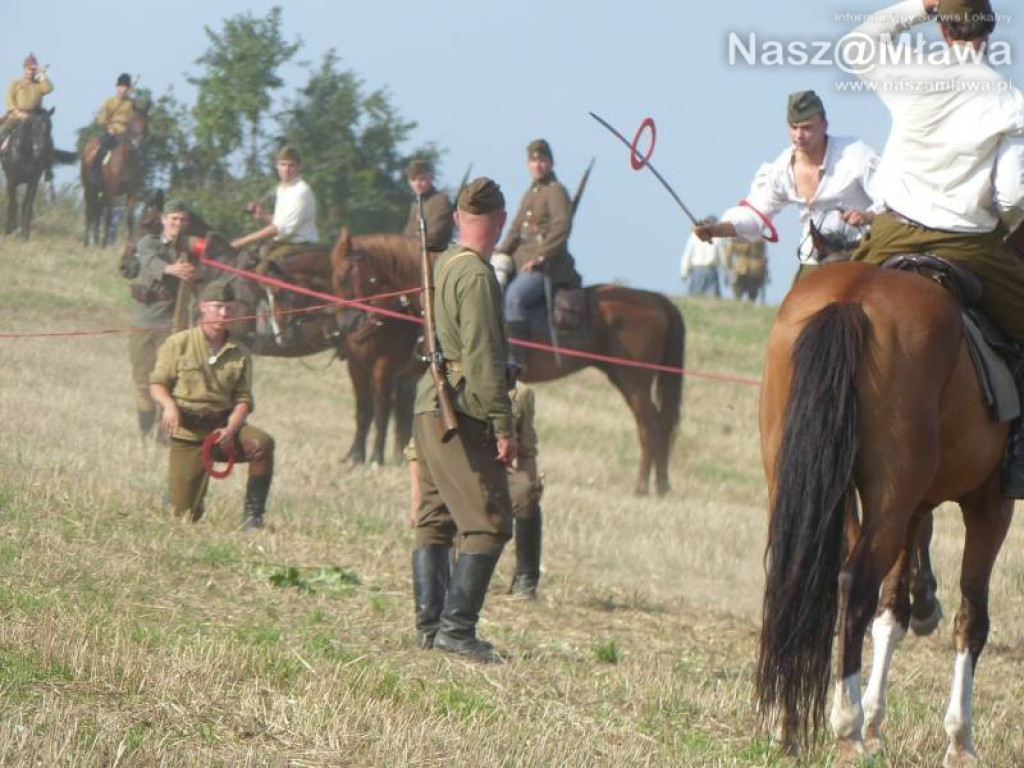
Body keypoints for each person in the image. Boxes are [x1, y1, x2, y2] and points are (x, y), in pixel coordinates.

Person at [845, 0, 1024, 492]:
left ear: (943, 31)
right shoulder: (1010, 101)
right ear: (987, 37)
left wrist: (917, 6)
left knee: (835, 302)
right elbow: (1012, 194)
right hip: (970, 244)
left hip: (890, 232)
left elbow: (857, 45)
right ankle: (1017, 452)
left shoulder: (913, 75)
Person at [410, 177, 516, 663]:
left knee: (435, 519)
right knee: (490, 521)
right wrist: (504, 424)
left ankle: (431, 627)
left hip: (427, 405)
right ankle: (456, 630)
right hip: (459, 410)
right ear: (500, 221)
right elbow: (483, 358)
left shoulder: (446, 264)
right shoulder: (475, 274)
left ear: (457, 219)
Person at [692, 91, 882, 282]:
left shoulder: (855, 155)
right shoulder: (780, 170)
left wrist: (867, 216)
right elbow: (755, 215)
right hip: (817, 258)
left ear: (824, 125)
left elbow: (889, 198)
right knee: (793, 310)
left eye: (807, 128)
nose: (799, 135)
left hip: (863, 252)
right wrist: (716, 230)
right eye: (794, 127)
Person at [407, 360, 544, 600]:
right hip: (456, 472)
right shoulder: (448, 392)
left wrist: (531, 490)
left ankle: (526, 579)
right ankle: (445, 588)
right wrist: (417, 500)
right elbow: (416, 452)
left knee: (524, 492)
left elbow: (527, 450)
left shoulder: (521, 395)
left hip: (499, 474)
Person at [149, 281, 274, 529]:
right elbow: (157, 384)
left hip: (223, 431)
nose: (224, 314)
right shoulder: (178, 343)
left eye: (229, 308)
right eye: (218, 307)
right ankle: (179, 493)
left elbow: (244, 400)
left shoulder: (240, 352)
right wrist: (169, 406)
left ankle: (253, 517)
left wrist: (230, 429)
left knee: (262, 443)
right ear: (203, 307)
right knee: (184, 517)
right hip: (189, 433)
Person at [497, 139, 581, 363]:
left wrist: (539, 258)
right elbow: (516, 229)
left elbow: (561, 229)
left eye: (543, 161)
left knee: (515, 297)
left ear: (551, 163)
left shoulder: (556, 192)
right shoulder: (531, 191)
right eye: (534, 161)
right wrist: (500, 252)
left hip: (547, 266)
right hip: (520, 259)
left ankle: (518, 359)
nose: (538, 165)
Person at [129, 199, 198, 442]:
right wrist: (172, 270)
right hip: (145, 320)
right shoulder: (150, 243)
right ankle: (144, 431)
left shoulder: (190, 250)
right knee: (141, 378)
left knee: (168, 378)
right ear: (163, 220)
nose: (178, 224)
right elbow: (149, 262)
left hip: (174, 322)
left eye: (182, 220)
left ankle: (163, 432)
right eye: (173, 219)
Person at [231, 145, 319, 273]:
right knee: (249, 258)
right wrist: (264, 216)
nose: (287, 169)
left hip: (300, 246)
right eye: (283, 165)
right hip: (284, 243)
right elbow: (282, 222)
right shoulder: (282, 189)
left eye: (291, 165)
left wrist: (243, 241)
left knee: (264, 270)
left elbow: (280, 228)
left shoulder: (301, 191)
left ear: (298, 167)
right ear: (277, 166)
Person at [1, 54, 53, 153]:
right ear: (24, 69)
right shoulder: (15, 84)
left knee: (45, 136)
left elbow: (49, 89)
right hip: (15, 117)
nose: (31, 72)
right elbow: (8, 100)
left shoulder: (39, 85)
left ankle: (48, 162)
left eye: (33, 69)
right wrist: (18, 113)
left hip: (34, 118)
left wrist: (42, 74)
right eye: (29, 69)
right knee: (2, 133)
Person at [403, 158, 454, 252]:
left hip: (437, 255)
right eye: (413, 180)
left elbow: (434, 236)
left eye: (422, 179)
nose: (417, 184)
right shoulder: (415, 204)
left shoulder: (441, 201)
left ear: (431, 178)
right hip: (415, 253)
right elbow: (408, 233)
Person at [91, 73, 133, 179]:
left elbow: (133, 121)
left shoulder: (131, 104)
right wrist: (109, 128)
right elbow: (102, 120)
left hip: (126, 134)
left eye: (126, 87)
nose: (123, 89)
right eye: (121, 86)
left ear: (128, 89)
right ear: (117, 87)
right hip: (112, 132)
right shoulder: (109, 102)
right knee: (102, 148)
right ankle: (95, 174)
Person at [680, 217, 727, 296]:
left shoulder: (695, 236)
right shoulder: (716, 238)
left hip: (706, 271)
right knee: (700, 299)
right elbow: (723, 257)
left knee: (706, 299)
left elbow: (687, 255)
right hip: (703, 271)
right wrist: (726, 274)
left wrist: (684, 272)